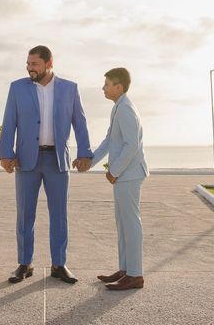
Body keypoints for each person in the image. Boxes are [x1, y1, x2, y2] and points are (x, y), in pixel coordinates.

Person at [0, 45, 92, 284]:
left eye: (34, 64)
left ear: (49, 63)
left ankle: (59, 264)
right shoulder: (17, 88)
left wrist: (85, 153)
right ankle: (24, 264)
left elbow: (79, 123)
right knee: (25, 215)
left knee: (59, 215)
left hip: (57, 160)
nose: (30, 68)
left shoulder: (69, 89)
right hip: (26, 160)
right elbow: (9, 122)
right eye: (28, 64)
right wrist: (5, 154)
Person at [81, 67, 149, 290]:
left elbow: (131, 146)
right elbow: (110, 140)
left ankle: (135, 275)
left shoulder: (126, 110)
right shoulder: (118, 108)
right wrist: (89, 162)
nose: (103, 88)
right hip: (123, 176)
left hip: (129, 175)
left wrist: (114, 170)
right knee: (123, 224)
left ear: (118, 87)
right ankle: (125, 270)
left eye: (107, 84)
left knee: (131, 225)